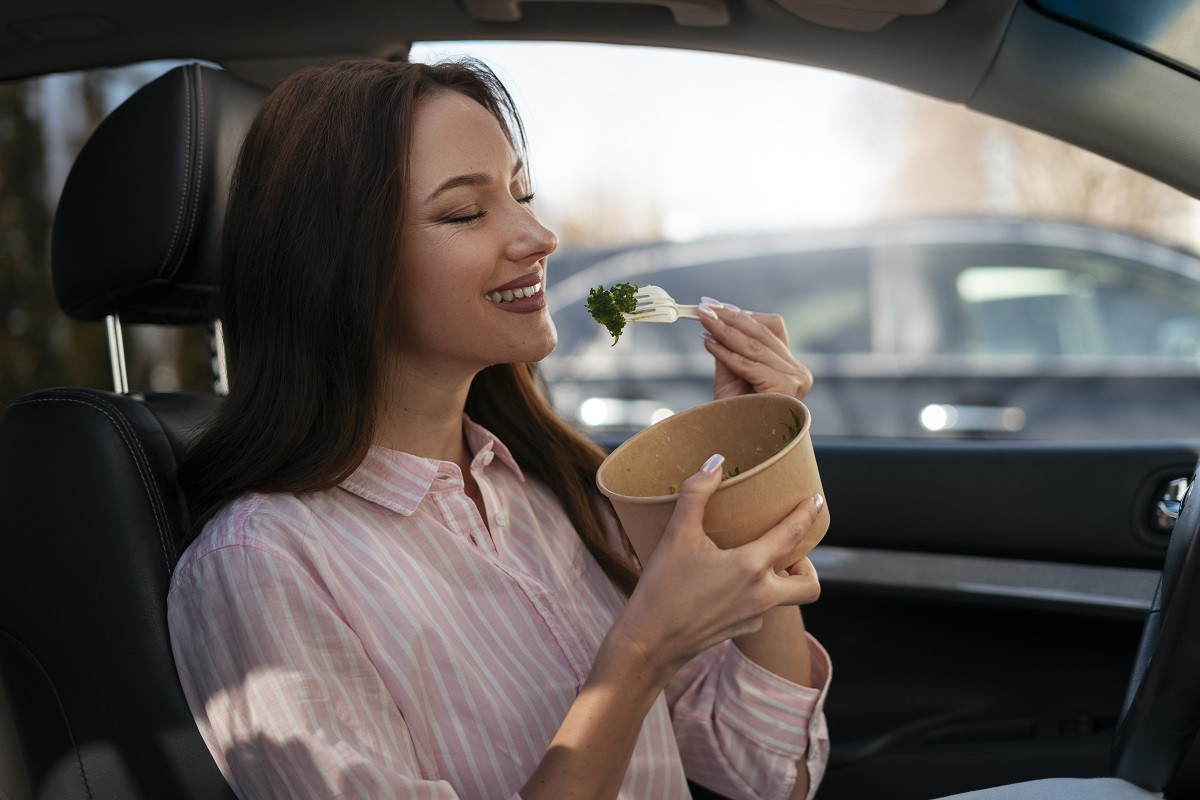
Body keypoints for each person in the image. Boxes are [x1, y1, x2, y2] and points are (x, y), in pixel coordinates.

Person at [169, 57, 831, 800]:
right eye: (464, 213)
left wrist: (756, 454)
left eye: (522, 194)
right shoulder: (261, 565)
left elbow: (768, 773)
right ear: (337, 264)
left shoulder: (561, 492)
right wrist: (640, 654)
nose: (540, 236)